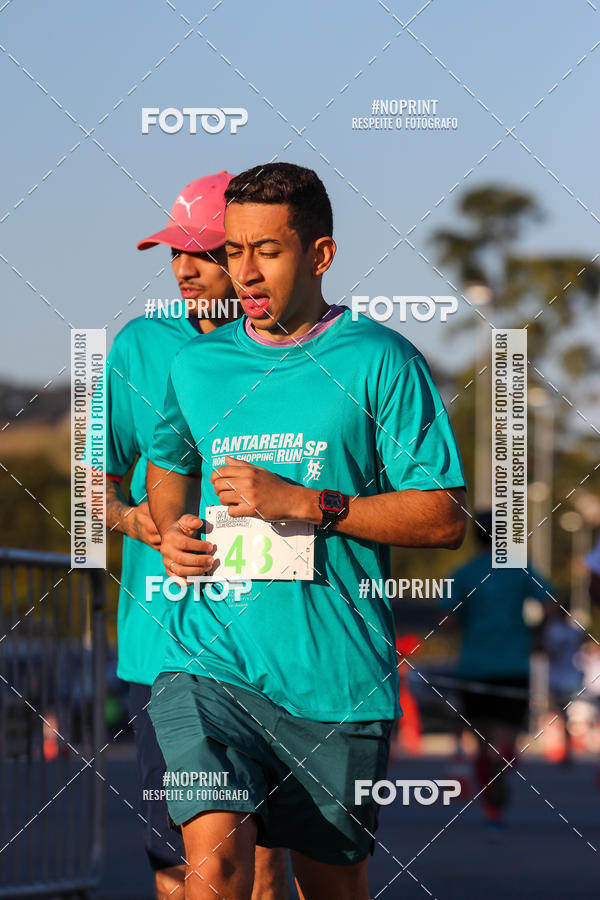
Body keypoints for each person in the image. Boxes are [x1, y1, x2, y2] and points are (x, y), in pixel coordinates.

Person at [147, 161, 467, 900]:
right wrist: (170, 530)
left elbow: (443, 515)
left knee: (330, 888)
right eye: (234, 250)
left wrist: (306, 503)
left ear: (320, 255)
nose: (246, 272)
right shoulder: (198, 365)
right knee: (216, 867)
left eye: (268, 250)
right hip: (207, 660)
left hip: (335, 680)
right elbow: (167, 464)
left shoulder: (379, 360)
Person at [98, 172, 288, 899]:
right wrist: (133, 519)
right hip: (167, 644)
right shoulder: (141, 347)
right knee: (184, 865)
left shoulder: (296, 349)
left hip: (273, 643)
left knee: (268, 863)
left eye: (204, 252)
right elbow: (95, 489)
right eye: (174, 253)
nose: (184, 269)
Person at [440, 511, 554, 830]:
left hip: (474, 667)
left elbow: (447, 622)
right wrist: (538, 636)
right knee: (506, 736)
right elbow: (549, 605)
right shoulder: (519, 568)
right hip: (513, 664)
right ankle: (502, 761)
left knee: (481, 738)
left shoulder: (463, 573)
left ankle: (491, 807)